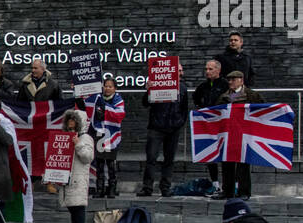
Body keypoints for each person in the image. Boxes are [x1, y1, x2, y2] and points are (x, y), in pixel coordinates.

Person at [209, 71, 265, 200]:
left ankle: (244, 192)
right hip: (228, 135)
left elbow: (261, 111)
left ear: (241, 80)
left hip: (245, 134)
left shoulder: (252, 95)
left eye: (233, 79)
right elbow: (217, 112)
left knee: (243, 164)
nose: (230, 82)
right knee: (227, 163)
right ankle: (227, 191)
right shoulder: (224, 97)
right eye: (229, 80)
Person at [136, 63, 189, 198]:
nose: (181, 73)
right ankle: (147, 188)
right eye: (179, 70)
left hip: (173, 128)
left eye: (181, 70)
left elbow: (184, 109)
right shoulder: (156, 85)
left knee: (169, 159)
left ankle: (165, 187)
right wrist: (148, 90)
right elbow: (145, 103)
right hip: (156, 127)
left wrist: (179, 123)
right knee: (151, 158)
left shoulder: (183, 88)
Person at [57, 108, 95, 223]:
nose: (70, 122)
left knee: (78, 206)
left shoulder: (85, 138)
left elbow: (88, 158)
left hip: (78, 177)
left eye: (73, 119)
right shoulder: (65, 135)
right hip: (66, 176)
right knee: (72, 206)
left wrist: (77, 144)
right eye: (69, 119)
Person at [193, 59, 228, 193]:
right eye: (206, 69)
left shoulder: (225, 85)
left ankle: (228, 184)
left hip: (222, 124)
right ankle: (215, 183)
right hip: (208, 125)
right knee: (210, 154)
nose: (207, 72)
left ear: (218, 70)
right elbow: (196, 99)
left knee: (224, 154)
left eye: (210, 69)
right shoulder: (202, 87)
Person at [86, 79, 123, 198]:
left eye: (110, 86)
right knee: (100, 162)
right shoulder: (97, 99)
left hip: (112, 134)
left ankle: (112, 188)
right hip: (99, 133)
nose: (107, 88)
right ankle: (100, 188)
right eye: (105, 86)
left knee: (111, 163)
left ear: (115, 88)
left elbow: (119, 114)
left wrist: (105, 108)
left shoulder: (118, 99)